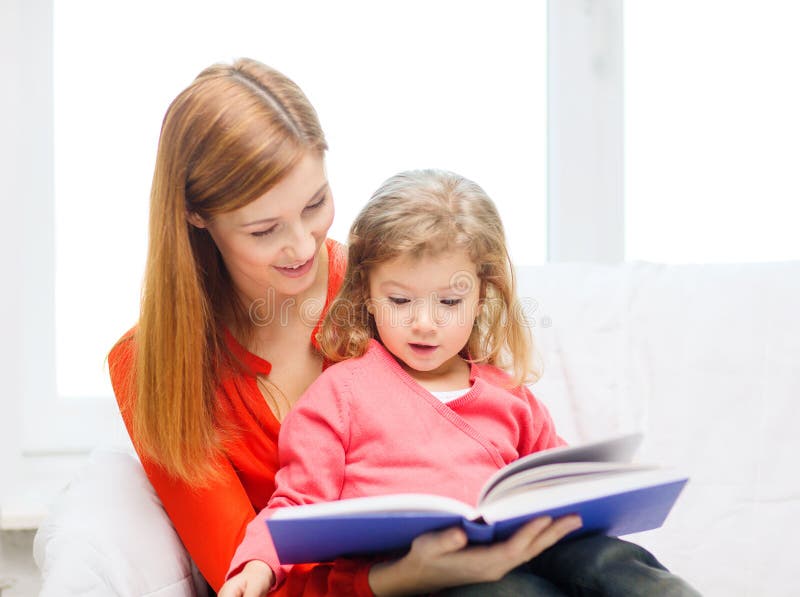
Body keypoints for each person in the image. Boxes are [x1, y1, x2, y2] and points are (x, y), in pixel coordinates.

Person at [109, 59, 586, 597]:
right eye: (264, 230)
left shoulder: (391, 285)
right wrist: (398, 578)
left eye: (316, 203)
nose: (303, 244)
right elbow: (248, 584)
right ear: (197, 215)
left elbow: (492, 423)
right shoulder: (152, 368)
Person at [219, 169, 701, 596]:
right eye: (400, 301)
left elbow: (554, 477)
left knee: (610, 560)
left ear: (482, 295)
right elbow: (297, 501)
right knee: (511, 592)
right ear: (366, 293)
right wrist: (259, 563)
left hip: (524, 543)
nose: (424, 324)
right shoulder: (339, 393)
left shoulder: (507, 394)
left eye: (449, 303)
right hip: (422, 577)